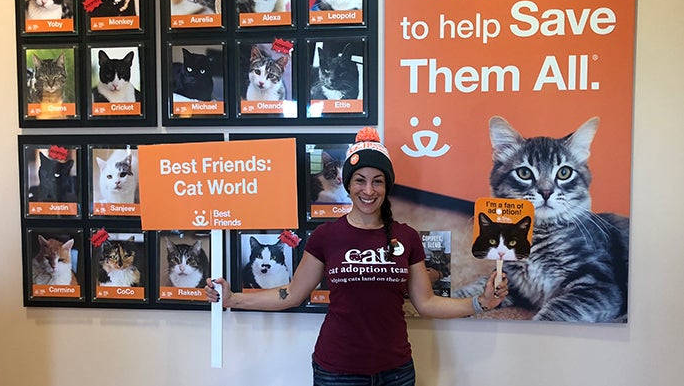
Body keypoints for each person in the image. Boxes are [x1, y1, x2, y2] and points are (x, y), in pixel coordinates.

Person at [205, 127, 508, 386]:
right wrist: (233, 299)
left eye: (378, 180)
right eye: (360, 180)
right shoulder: (326, 236)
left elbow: (426, 302)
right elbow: (291, 294)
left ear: (387, 186)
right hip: (338, 371)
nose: (368, 189)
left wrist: (480, 303)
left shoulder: (407, 237)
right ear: (348, 184)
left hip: (396, 371)